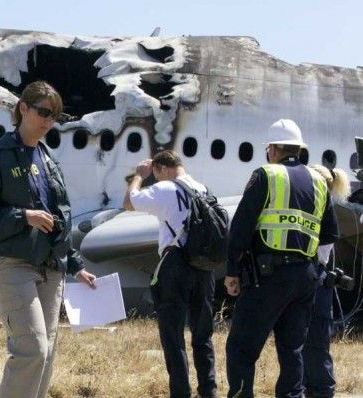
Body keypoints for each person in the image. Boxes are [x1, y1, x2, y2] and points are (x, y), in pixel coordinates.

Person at [0, 81, 96, 398]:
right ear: (23, 108)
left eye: (55, 116)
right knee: (32, 348)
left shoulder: (47, 159)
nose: (49, 121)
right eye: (43, 112)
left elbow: (58, 219)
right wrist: (23, 216)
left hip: (51, 265)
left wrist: (76, 265)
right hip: (12, 263)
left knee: (46, 352)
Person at [224, 119, 339, 398]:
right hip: (305, 279)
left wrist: (232, 272)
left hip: (268, 277)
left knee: (241, 348)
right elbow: (330, 233)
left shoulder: (266, 175)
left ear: (273, 149)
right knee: (292, 350)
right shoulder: (320, 183)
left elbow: (240, 228)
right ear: (299, 150)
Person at [123, 150, 217, 398]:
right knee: (202, 334)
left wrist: (138, 176)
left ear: (161, 169)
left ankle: (180, 392)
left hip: (175, 263)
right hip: (204, 266)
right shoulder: (202, 189)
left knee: (172, 334)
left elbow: (129, 202)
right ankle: (209, 390)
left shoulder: (165, 188)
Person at [303, 164, 350, 398]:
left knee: (316, 343)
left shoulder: (322, 211)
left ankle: (320, 390)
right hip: (318, 283)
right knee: (314, 343)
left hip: (316, 283)